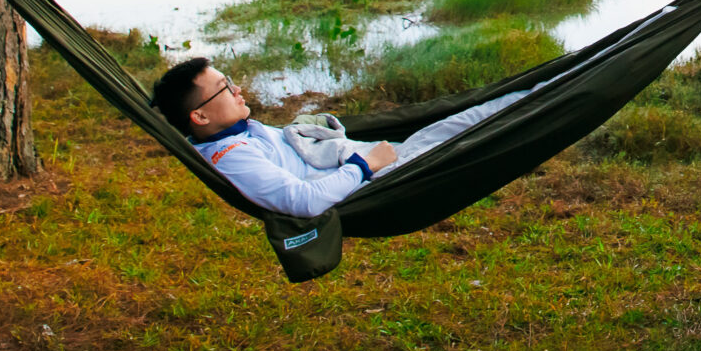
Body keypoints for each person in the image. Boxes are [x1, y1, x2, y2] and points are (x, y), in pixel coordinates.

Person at [150, 56, 533, 219]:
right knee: (480, 130)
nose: (237, 90)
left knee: (469, 118)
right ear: (199, 116)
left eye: (231, 81)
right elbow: (303, 201)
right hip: (381, 177)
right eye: (224, 88)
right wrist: (365, 165)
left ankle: (557, 83)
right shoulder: (232, 155)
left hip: (375, 157)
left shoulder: (238, 132)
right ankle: (554, 97)